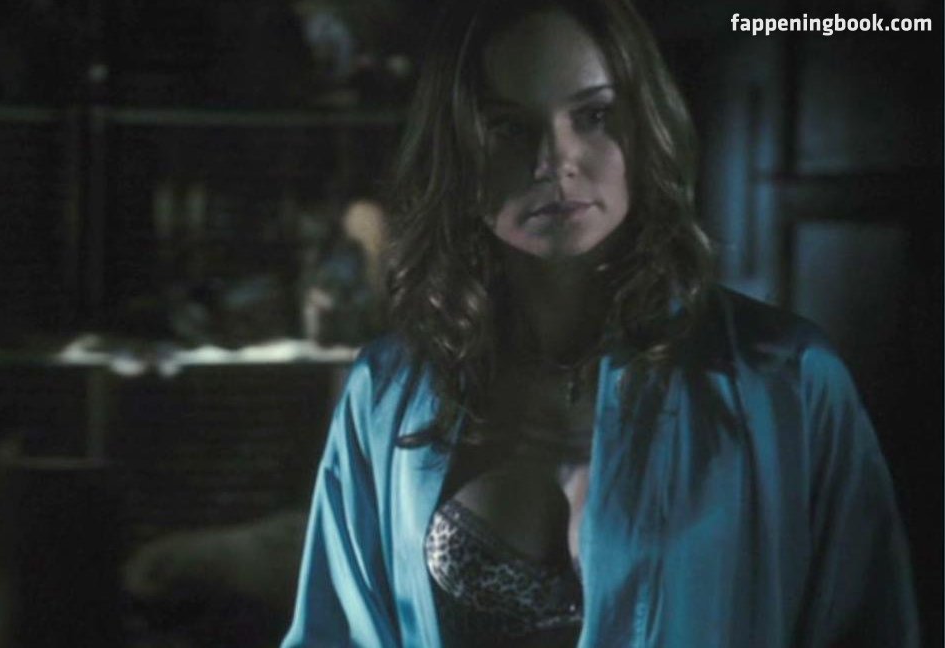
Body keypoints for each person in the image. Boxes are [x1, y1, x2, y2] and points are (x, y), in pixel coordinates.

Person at [282, 0, 920, 646]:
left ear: (645, 128)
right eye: (507, 126)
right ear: (456, 154)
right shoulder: (386, 392)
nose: (553, 160)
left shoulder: (787, 381)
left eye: (592, 116)